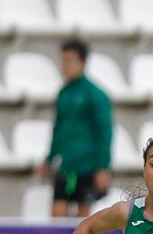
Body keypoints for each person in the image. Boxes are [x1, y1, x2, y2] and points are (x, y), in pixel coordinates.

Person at [42, 38, 114, 218]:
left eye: (69, 60)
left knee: (83, 217)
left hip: (87, 166)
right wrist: (49, 159)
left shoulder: (96, 95)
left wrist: (103, 166)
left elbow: (105, 132)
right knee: (57, 213)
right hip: (66, 166)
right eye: (63, 60)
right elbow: (58, 129)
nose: (64, 65)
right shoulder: (63, 93)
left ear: (82, 62)